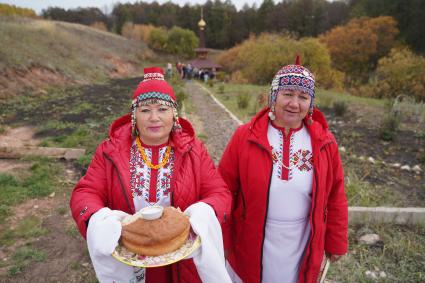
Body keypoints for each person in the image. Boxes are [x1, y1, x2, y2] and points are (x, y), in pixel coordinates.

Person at [70, 67, 232, 283]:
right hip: (131, 253)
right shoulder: (110, 151)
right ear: (134, 115)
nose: (154, 118)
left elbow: (219, 192)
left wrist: (202, 215)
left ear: (174, 114)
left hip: (182, 257)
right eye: (145, 110)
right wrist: (98, 220)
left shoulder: (194, 150)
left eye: (162, 109)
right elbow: (86, 192)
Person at [219, 56, 348, 283]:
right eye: (287, 94)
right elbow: (224, 190)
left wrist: (336, 241)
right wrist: (224, 240)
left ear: (311, 103)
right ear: (273, 95)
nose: (294, 104)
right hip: (251, 237)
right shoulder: (245, 136)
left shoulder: (324, 142)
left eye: (303, 97)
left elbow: (336, 195)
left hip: (302, 240)